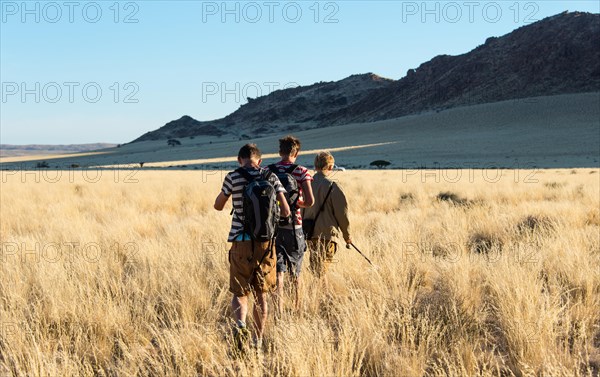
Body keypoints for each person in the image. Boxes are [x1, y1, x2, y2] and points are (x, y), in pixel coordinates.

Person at [213, 143, 291, 351]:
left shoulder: (233, 176)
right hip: (266, 243)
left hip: (240, 241)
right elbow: (286, 211)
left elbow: (218, 206)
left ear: (240, 160)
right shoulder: (271, 177)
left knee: (240, 292)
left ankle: (240, 327)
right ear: (260, 160)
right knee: (261, 293)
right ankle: (257, 340)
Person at [268, 136, 314, 316]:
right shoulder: (302, 172)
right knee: (296, 273)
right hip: (294, 227)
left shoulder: (268, 170)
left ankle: (278, 310)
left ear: (280, 152)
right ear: (297, 152)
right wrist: (296, 204)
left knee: (278, 272)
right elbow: (310, 201)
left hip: (272, 227)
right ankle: (297, 309)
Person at [302, 151, 352, 279]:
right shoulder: (332, 186)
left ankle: (315, 295)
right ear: (330, 167)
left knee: (315, 269)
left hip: (309, 233)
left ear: (315, 166)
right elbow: (342, 214)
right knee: (321, 272)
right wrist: (347, 236)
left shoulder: (306, 185)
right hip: (327, 235)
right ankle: (322, 296)